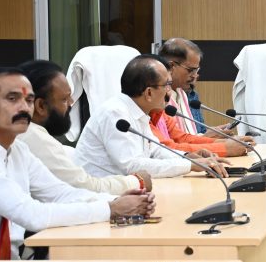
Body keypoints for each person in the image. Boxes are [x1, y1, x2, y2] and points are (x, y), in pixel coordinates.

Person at [0, 67, 154, 260]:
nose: (24, 108)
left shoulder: (19, 150)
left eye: (28, 100)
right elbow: (32, 215)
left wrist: (117, 201)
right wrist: (111, 209)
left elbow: (62, 193)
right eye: (12, 99)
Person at [17, 59, 152, 194]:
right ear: (40, 106)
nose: (71, 103)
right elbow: (85, 188)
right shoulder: (33, 137)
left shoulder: (30, 135)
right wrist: (137, 181)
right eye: (64, 99)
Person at [74, 55, 214, 179]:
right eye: (167, 85)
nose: (169, 91)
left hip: (124, 190)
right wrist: (189, 165)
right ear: (149, 93)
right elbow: (132, 166)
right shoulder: (115, 113)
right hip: (100, 193)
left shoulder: (138, 111)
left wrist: (188, 157)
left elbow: (155, 150)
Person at [157, 38, 252, 157]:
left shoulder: (182, 94)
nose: (195, 75)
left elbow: (183, 138)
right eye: (191, 70)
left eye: (197, 70)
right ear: (171, 66)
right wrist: (224, 147)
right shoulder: (159, 100)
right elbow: (169, 147)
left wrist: (226, 143)